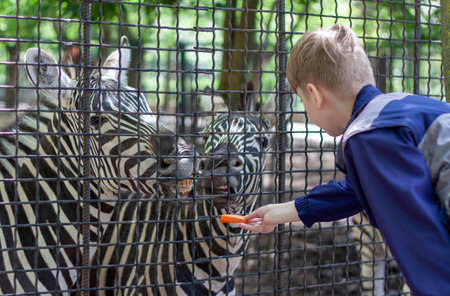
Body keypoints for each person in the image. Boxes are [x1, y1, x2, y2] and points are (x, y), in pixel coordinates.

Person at [239, 24, 450, 295]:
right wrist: (282, 212)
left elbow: (422, 244)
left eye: (302, 101)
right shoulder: (405, 108)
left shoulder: (369, 135)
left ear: (314, 95)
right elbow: (357, 189)